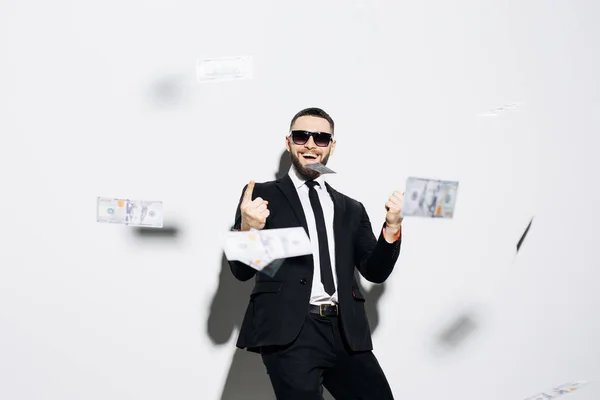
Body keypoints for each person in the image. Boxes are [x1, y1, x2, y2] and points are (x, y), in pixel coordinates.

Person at [227, 107, 404, 400]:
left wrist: (392, 227)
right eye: (301, 136)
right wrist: (249, 228)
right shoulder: (261, 196)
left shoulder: (351, 207)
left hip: (346, 332)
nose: (310, 143)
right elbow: (241, 271)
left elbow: (375, 270)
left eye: (321, 138)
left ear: (331, 146)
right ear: (289, 142)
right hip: (291, 333)